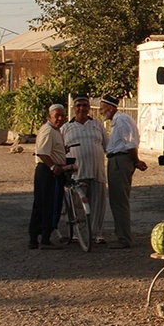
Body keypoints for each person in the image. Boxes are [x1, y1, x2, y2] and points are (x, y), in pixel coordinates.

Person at [97, 94, 147, 249]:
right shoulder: (118, 121)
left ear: (111, 108)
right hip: (118, 160)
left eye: (102, 108)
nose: (100, 111)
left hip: (120, 161)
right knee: (117, 200)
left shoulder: (121, 120)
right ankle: (122, 235)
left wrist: (136, 161)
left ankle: (124, 238)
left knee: (119, 201)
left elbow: (130, 144)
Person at [61, 95, 108, 247]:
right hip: (77, 174)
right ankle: (77, 234)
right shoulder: (66, 128)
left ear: (89, 108)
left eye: (85, 105)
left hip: (97, 171)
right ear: (74, 108)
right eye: (79, 105)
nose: (82, 108)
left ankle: (96, 234)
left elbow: (107, 146)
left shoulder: (98, 125)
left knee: (97, 205)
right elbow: (60, 150)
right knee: (77, 206)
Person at [29, 104, 67, 249]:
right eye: (57, 115)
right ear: (49, 116)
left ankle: (34, 239)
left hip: (50, 171)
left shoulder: (55, 131)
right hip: (48, 172)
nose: (60, 118)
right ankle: (44, 238)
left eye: (63, 115)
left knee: (42, 204)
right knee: (48, 205)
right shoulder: (48, 130)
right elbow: (42, 152)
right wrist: (53, 166)